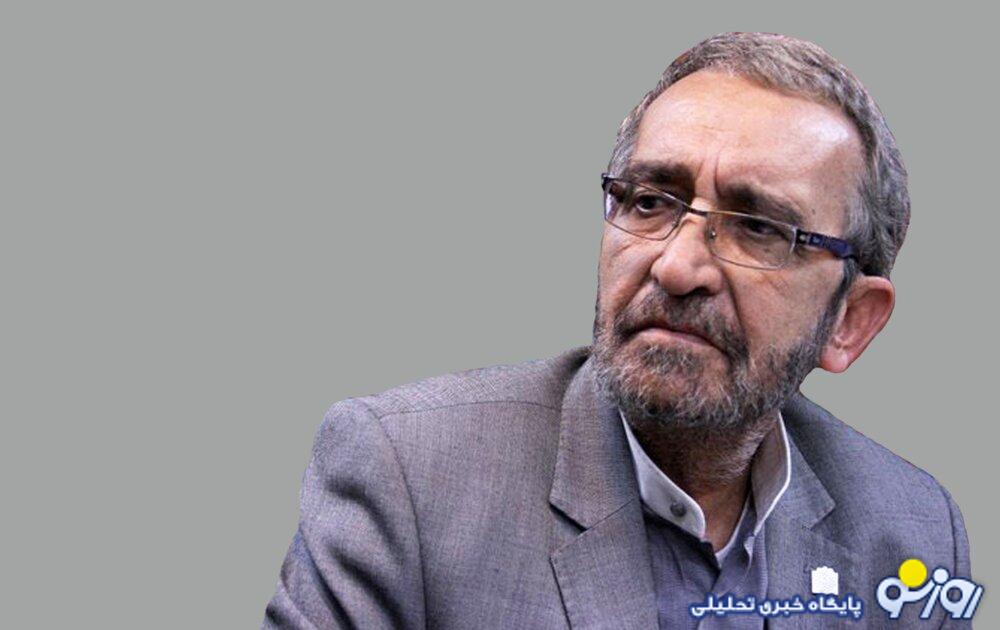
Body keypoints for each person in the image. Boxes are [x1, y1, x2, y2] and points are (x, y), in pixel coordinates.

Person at [263, 32, 972, 629]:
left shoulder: (910, 532)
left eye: (759, 228)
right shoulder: (408, 479)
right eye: (650, 201)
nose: (677, 266)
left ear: (849, 322)